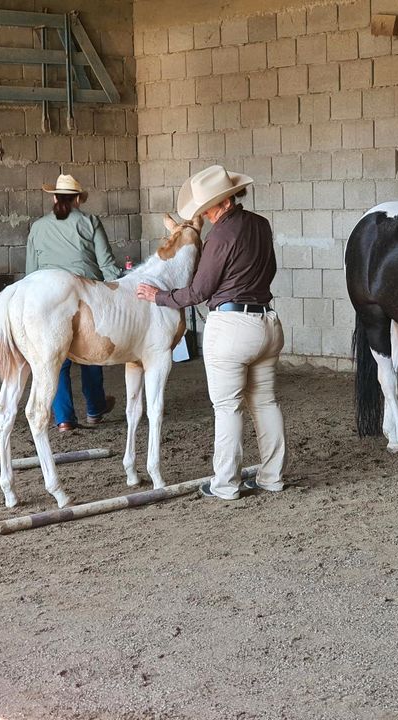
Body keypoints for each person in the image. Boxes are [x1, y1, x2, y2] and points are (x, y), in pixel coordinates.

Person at [136, 165, 287, 500]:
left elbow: (198, 291)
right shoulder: (261, 225)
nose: (203, 213)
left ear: (218, 204)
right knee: (265, 402)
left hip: (232, 327)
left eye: (205, 207)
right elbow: (271, 269)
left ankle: (226, 484)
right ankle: (272, 477)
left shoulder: (220, 236)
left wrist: (159, 296)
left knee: (228, 407)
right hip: (268, 322)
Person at [26, 174, 121, 432]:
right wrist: (123, 285)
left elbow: (31, 272)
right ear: (78, 199)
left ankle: (65, 418)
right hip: (85, 296)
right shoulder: (90, 222)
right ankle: (94, 409)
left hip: (47, 297)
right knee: (92, 353)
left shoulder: (37, 227)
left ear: (54, 198)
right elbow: (106, 264)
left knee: (57, 360)